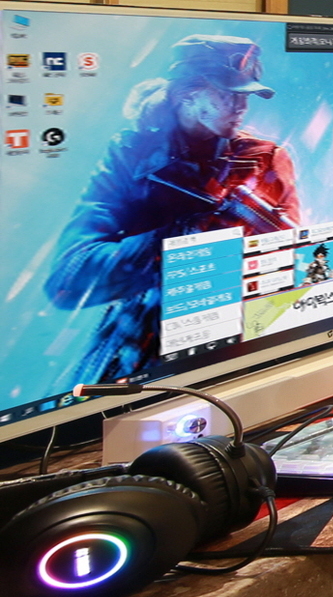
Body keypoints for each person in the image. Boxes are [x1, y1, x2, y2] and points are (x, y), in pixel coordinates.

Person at [46, 36, 304, 383]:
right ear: (186, 94)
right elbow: (69, 278)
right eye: (228, 94)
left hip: (233, 341)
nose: (242, 105)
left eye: (246, 94)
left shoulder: (262, 159)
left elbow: (292, 263)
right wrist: (179, 241)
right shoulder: (130, 154)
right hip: (134, 349)